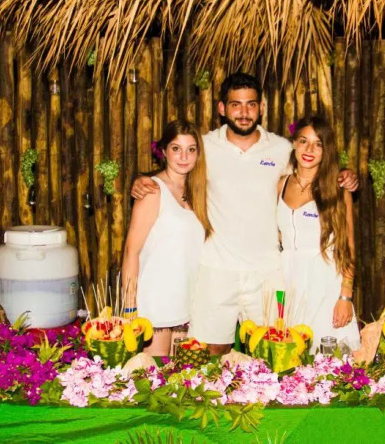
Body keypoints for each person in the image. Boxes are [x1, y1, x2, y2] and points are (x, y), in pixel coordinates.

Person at [132, 73, 358, 354]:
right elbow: (177, 167)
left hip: (268, 274)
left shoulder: (281, 149)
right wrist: (142, 180)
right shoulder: (205, 147)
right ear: (222, 108)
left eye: (251, 104)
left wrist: (346, 174)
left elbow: (313, 172)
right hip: (216, 270)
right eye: (235, 105)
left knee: (272, 356)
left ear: (261, 107)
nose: (243, 112)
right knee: (208, 355)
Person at [121, 119, 213, 356]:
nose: (184, 156)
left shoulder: (198, 193)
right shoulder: (152, 190)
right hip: (155, 304)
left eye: (191, 149)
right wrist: (129, 309)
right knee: (153, 374)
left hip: (186, 303)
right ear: (163, 151)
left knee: (179, 377)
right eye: (176, 148)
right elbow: (132, 251)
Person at [277, 116, 361, 354]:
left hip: (325, 282)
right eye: (304, 141)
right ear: (294, 143)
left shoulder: (337, 190)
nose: (309, 150)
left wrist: (345, 296)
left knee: (331, 360)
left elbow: (348, 246)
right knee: (289, 359)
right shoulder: (280, 184)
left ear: (326, 150)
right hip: (287, 282)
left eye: (318, 144)